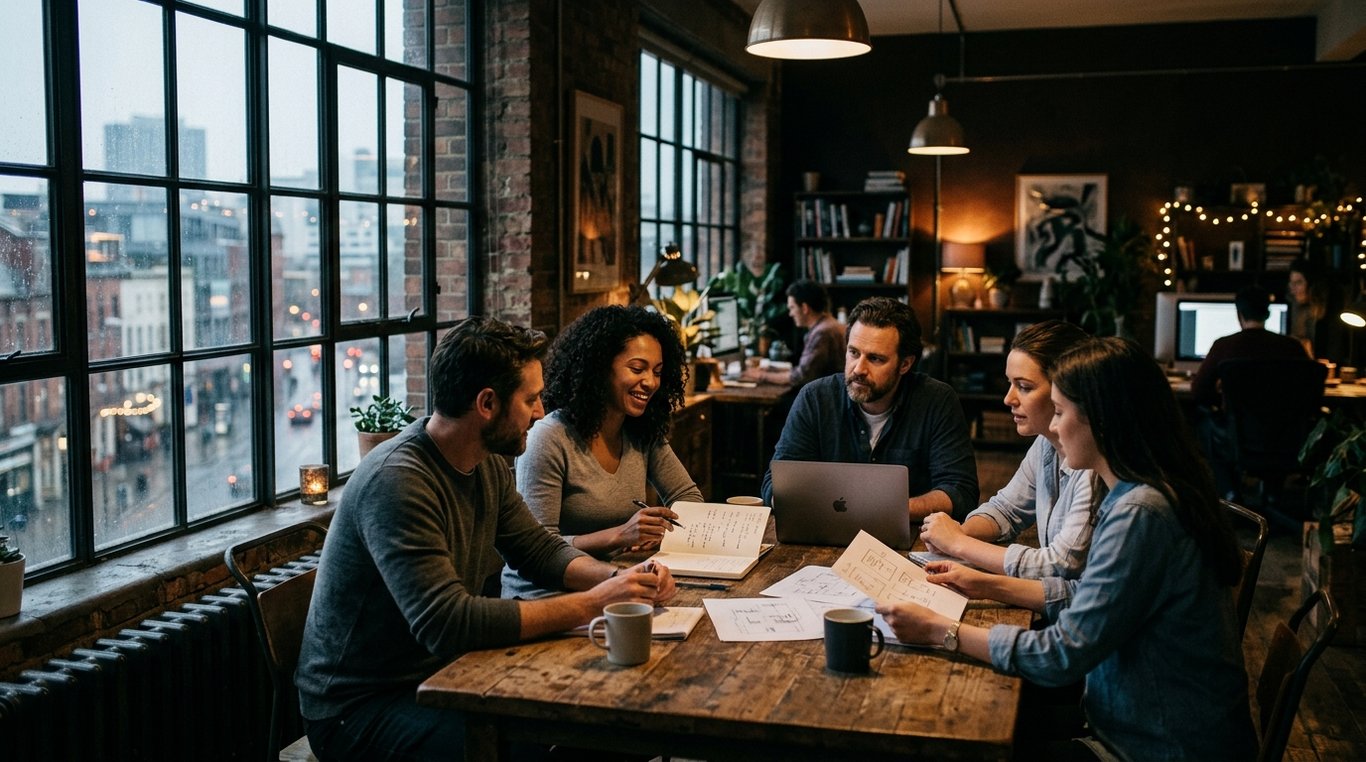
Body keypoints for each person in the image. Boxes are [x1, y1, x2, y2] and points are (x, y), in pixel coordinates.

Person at [296, 316, 676, 762]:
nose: (540, 412)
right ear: (488, 403)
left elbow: (538, 550)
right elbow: (448, 623)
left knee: (606, 720)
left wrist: (620, 579)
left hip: (444, 673)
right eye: (531, 399)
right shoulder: (398, 481)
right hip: (360, 708)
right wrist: (596, 602)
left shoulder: (486, 460)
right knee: (538, 744)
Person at [877, 337, 1256, 761]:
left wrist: (940, 632)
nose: (1052, 429)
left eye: (1059, 412)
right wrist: (985, 584)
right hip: (1131, 724)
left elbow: (1062, 653)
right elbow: (1090, 599)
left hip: (1153, 746)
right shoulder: (1143, 491)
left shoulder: (1139, 512)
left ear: (1102, 420)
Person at [502, 305, 702, 599]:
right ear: (599, 367)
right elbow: (537, 548)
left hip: (617, 581)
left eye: (658, 372)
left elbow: (688, 498)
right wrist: (617, 536)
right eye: (637, 369)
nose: (650, 382)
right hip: (546, 594)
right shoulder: (549, 437)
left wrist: (660, 532)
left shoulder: (641, 430)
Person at [761, 296, 978, 520]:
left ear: (905, 364)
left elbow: (961, 491)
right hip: (824, 529)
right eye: (854, 353)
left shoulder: (937, 401)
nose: (858, 369)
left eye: (875, 359)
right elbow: (774, 483)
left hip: (909, 538)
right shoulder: (815, 398)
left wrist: (886, 511)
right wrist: (792, 500)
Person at [919, 320, 1099, 580]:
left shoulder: (1094, 463)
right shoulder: (1045, 443)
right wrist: (960, 533)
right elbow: (1007, 508)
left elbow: (1062, 563)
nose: (1008, 399)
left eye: (1024, 387)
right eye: (1010, 384)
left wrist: (959, 544)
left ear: (1068, 388)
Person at [1190, 285, 1309, 498]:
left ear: (1239, 314)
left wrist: (1225, 394)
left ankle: (1229, 491)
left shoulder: (1224, 346)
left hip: (1239, 437)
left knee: (1202, 422)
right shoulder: (1293, 347)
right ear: (1268, 313)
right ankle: (1274, 492)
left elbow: (1199, 392)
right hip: (1287, 437)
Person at [742, 279, 845, 387]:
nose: (791, 314)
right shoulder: (829, 324)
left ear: (805, 308)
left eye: (792, 308)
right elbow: (807, 369)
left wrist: (761, 375)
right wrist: (773, 369)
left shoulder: (822, 333)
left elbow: (800, 377)